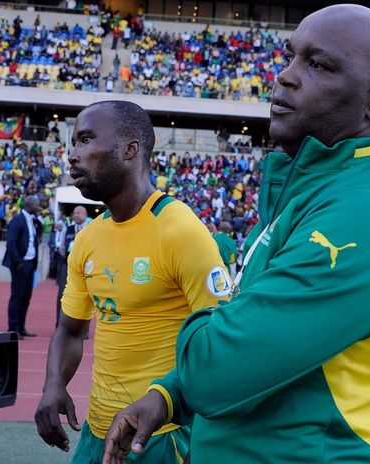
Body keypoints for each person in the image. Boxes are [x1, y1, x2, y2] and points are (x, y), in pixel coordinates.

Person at [103, 5, 370, 464]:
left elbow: (214, 370)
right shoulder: (318, 187)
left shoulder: (369, 215)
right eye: (290, 56)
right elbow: (251, 341)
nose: (284, 76)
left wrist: (210, 288)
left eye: (317, 64)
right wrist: (169, 394)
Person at [35, 101, 230, 463]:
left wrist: (169, 402)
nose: (72, 156)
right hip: (97, 432)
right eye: (73, 143)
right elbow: (70, 330)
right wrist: (54, 384)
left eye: (86, 140)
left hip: (158, 437)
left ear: (130, 149)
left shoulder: (180, 231)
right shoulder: (89, 238)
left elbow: (221, 339)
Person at [2, 194, 42, 339]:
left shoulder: (32, 220)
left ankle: (21, 327)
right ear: (29, 205)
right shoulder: (17, 221)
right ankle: (13, 328)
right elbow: (11, 243)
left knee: (26, 297)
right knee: (17, 296)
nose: (39, 207)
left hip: (30, 264)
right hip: (21, 264)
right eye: (37, 204)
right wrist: (18, 262)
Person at [52, 206, 88, 327]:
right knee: (62, 295)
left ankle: (82, 329)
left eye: (79, 212)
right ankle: (60, 325)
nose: (76, 215)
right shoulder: (68, 229)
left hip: (86, 269)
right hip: (67, 267)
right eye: (74, 213)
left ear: (85, 215)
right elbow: (62, 247)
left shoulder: (90, 230)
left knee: (84, 298)